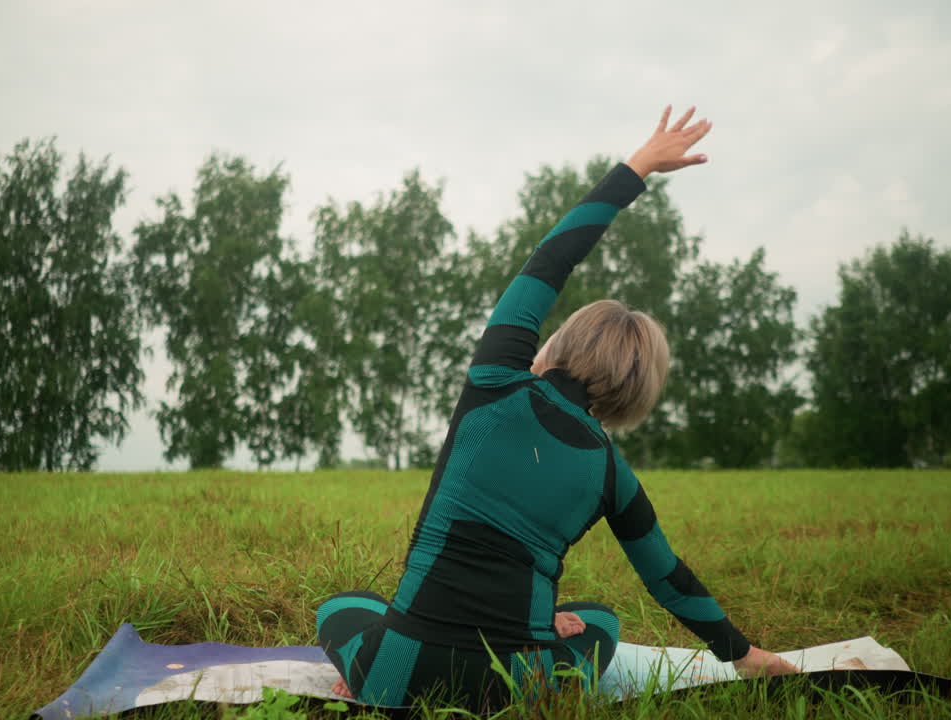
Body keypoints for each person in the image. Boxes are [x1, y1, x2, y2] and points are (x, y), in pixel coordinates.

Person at [316, 106, 799, 710]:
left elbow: (552, 259)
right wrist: (744, 655)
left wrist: (640, 165)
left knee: (342, 606)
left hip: (393, 675)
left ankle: (378, 666)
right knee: (599, 620)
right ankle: (540, 628)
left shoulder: (496, 381)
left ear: (559, 344)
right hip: (513, 690)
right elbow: (669, 580)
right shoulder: (610, 472)